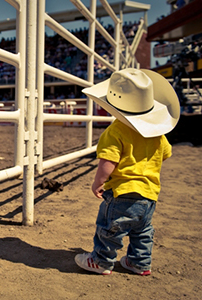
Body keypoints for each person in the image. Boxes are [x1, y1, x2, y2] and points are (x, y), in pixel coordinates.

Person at [75, 68, 180, 276]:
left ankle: (101, 261)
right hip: (149, 195)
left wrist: (98, 182)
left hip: (122, 193)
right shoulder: (156, 133)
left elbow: (108, 161)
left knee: (110, 228)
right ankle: (139, 262)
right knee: (142, 231)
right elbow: (166, 154)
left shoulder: (115, 132)